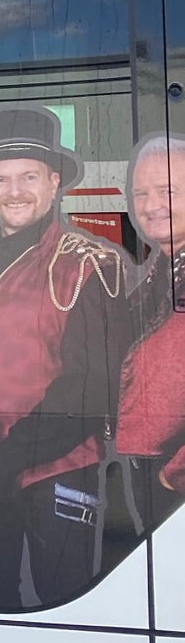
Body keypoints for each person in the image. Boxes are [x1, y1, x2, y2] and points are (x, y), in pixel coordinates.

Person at [0, 106, 128, 608]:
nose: (15, 190)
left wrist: (2, 461)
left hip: (58, 473)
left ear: (53, 183)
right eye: (0, 178)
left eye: (28, 176)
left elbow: (90, 387)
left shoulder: (89, 264)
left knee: (67, 604)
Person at [120, 132, 185, 518]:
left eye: (168, 191)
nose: (152, 206)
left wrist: (172, 476)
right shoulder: (156, 272)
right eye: (141, 194)